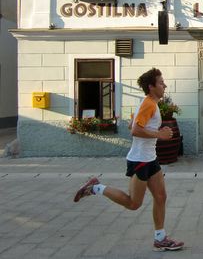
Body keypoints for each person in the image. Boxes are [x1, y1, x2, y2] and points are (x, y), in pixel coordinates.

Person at [73, 68, 184, 252]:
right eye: (161, 82)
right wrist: (160, 135)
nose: (164, 85)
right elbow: (134, 131)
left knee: (161, 196)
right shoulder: (149, 104)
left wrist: (139, 125)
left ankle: (160, 238)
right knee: (134, 203)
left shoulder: (151, 104)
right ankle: (95, 187)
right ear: (151, 86)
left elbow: (134, 124)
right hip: (140, 160)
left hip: (151, 159)